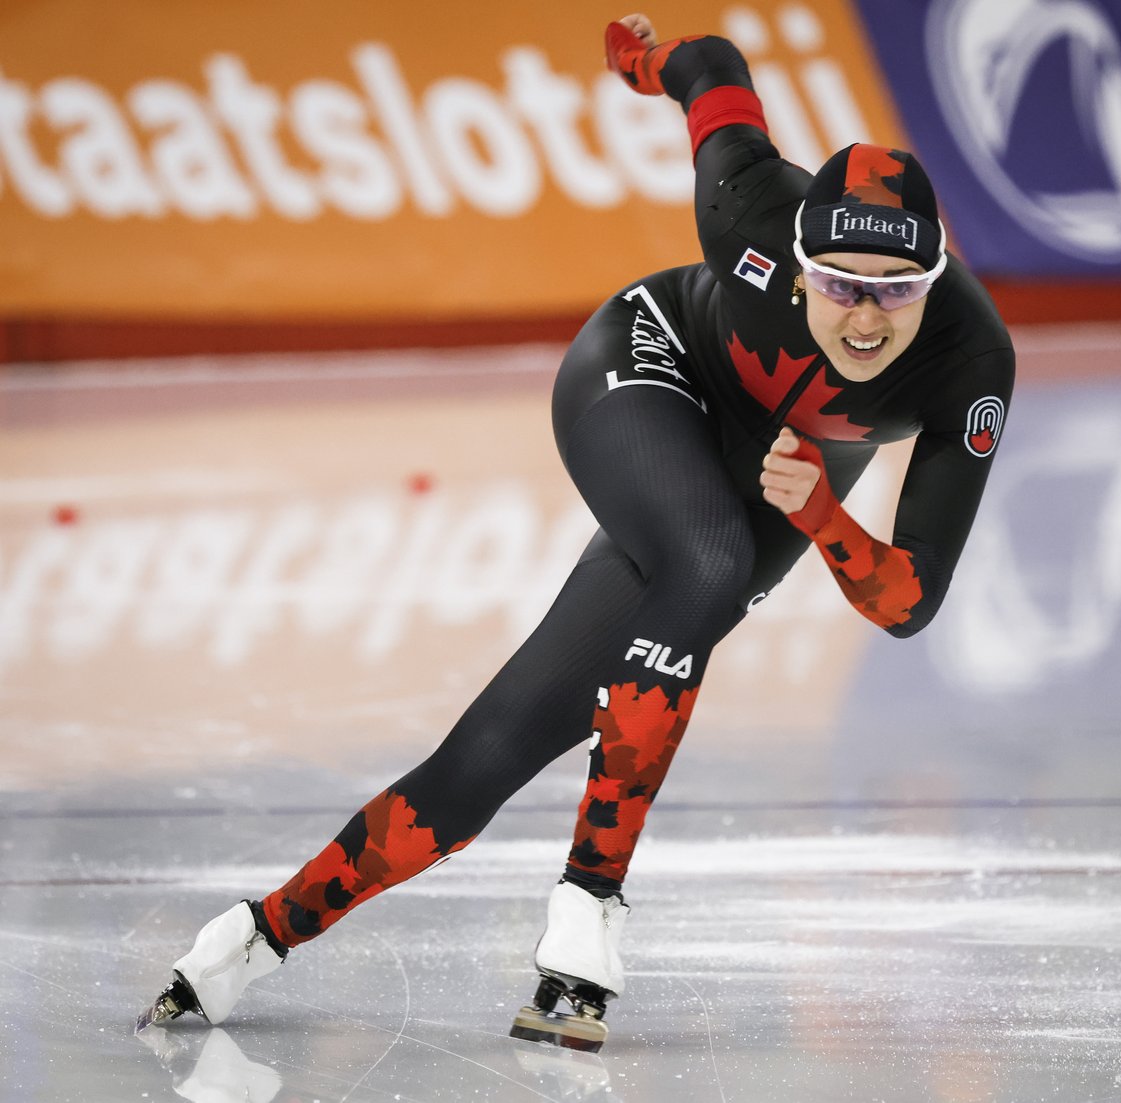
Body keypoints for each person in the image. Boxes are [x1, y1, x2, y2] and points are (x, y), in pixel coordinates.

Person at [137, 13, 1014, 1052]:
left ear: (939, 274)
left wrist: (821, 512)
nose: (864, 319)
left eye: (896, 294)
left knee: (492, 752)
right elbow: (713, 77)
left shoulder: (971, 361)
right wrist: (639, 58)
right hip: (646, 365)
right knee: (710, 557)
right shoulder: (748, 205)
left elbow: (910, 604)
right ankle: (586, 917)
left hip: (785, 474)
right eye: (836, 286)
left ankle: (250, 937)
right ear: (793, 258)